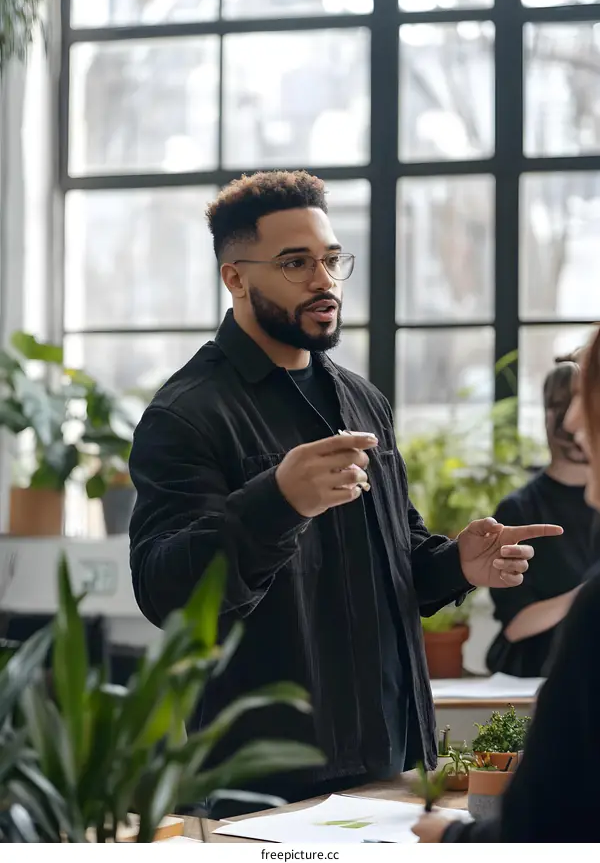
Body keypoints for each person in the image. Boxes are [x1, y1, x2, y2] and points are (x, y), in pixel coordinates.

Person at [128, 171, 561, 811]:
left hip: (396, 762)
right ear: (235, 279)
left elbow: (396, 557)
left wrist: (457, 564)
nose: (324, 281)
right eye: (296, 263)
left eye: (331, 260)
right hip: (267, 789)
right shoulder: (186, 414)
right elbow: (165, 592)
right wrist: (278, 500)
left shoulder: (363, 400)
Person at [412, 326, 600, 842]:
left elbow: (541, 827)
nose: (572, 422)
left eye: (584, 400)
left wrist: (449, 838)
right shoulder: (522, 506)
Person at [486, 361, 597, 677]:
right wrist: (588, 594)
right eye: (560, 409)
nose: (571, 425)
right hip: (536, 672)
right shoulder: (519, 510)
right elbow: (516, 624)